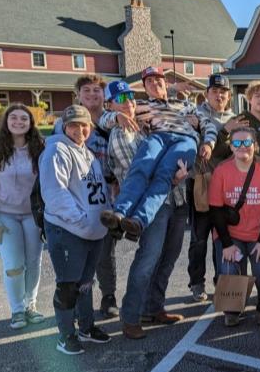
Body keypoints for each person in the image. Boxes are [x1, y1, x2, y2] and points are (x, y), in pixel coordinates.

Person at [101, 80, 186, 340]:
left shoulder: (142, 127)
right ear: (110, 105)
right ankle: (130, 317)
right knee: (147, 261)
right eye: (121, 98)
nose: (128, 101)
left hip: (176, 200)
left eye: (130, 96)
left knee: (167, 258)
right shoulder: (120, 134)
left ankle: (153, 307)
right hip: (152, 207)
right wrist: (172, 176)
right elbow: (136, 176)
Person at [100, 66, 216, 238]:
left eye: (158, 80)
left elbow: (208, 124)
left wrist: (208, 143)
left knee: (164, 174)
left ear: (165, 83)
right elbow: (104, 119)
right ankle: (119, 213)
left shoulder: (186, 105)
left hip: (184, 139)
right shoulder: (142, 105)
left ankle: (139, 220)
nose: (154, 83)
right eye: (149, 81)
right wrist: (118, 117)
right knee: (141, 166)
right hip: (159, 137)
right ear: (144, 88)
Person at [40, 105, 112, 355]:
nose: (79, 130)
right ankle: (66, 335)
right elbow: (55, 193)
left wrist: (105, 218)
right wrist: (81, 220)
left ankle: (86, 327)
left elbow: (98, 192)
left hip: (93, 232)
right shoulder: (57, 150)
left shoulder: (88, 153)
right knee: (68, 285)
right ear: (64, 127)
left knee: (85, 284)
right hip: (69, 231)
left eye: (84, 125)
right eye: (73, 125)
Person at [53, 74, 119, 319]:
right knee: (80, 258)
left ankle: (109, 296)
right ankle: (80, 310)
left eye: (97, 91)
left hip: (106, 197)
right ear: (78, 95)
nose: (92, 94)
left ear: (104, 95)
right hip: (76, 200)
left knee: (105, 253)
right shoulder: (64, 124)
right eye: (87, 90)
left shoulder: (112, 122)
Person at [0, 103, 47, 330]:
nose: (18, 122)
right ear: (6, 122)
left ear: (30, 123)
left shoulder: (40, 149)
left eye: (24, 119)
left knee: (33, 262)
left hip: (33, 216)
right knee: (14, 264)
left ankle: (30, 305)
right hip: (5, 216)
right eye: (14, 118)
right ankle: (17, 309)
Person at [208, 127, 260, 327]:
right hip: (231, 234)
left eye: (247, 143)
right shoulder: (221, 171)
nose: (243, 147)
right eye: (237, 143)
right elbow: (215, 210)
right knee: (228, 267)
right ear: (231, 147)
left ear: (255, 146)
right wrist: (226, 244)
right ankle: (233, 309)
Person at [187, 73, 239, 303]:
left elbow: (235, 152)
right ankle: (197, 283)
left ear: (229, 96)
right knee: (199, 238)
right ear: (206, 93)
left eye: (224, 92)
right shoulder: (196, 116)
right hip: (201, 183)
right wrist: (224, 131)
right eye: (215, 91)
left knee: (222, 238)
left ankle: (222, 282)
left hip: (225, 187)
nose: (219, 95)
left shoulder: (235, 118)